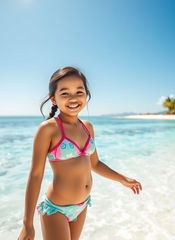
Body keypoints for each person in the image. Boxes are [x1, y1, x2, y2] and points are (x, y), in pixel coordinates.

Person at [18, 66, 142, 240]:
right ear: (54, 99)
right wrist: (27, 223)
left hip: (82, 205)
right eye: (65, 93)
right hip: (56, 209)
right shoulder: (48, 129)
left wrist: (122, 179)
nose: (73, 98)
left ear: (86, 94)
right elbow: (36, 175)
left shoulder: (87, 127)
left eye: (79, 91)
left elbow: (95, 164)